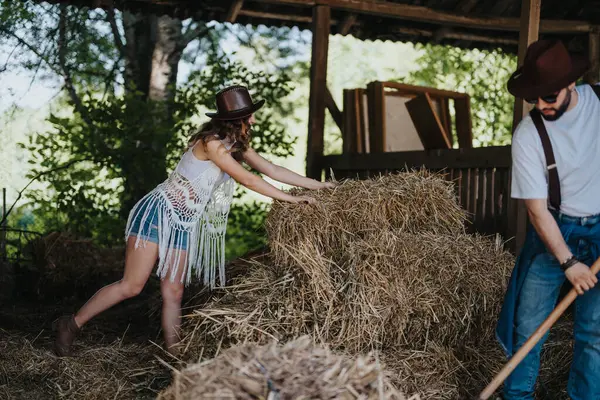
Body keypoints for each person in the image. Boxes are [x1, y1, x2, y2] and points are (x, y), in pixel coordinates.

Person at [54, 85, 334, 357]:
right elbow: (247, 179)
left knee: (173, 290)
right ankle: (72, 323)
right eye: (249, 115)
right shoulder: (211, 144)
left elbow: (271, 169)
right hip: (159, 213)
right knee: (132, 285)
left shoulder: (235, 146)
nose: (253, 119)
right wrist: (290, 199)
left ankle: (174, 352)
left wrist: (317, 186)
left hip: (183, 222)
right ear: (236, 119)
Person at [495, 39, 600, 399]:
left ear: (571, 84)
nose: (540, 105)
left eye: (549, 96)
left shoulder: (599, 104)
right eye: (533, 97)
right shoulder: (528, 135)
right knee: (528, 328)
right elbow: (537, 210)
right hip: (556, 230)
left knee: (594, 332)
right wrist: (568, 262)